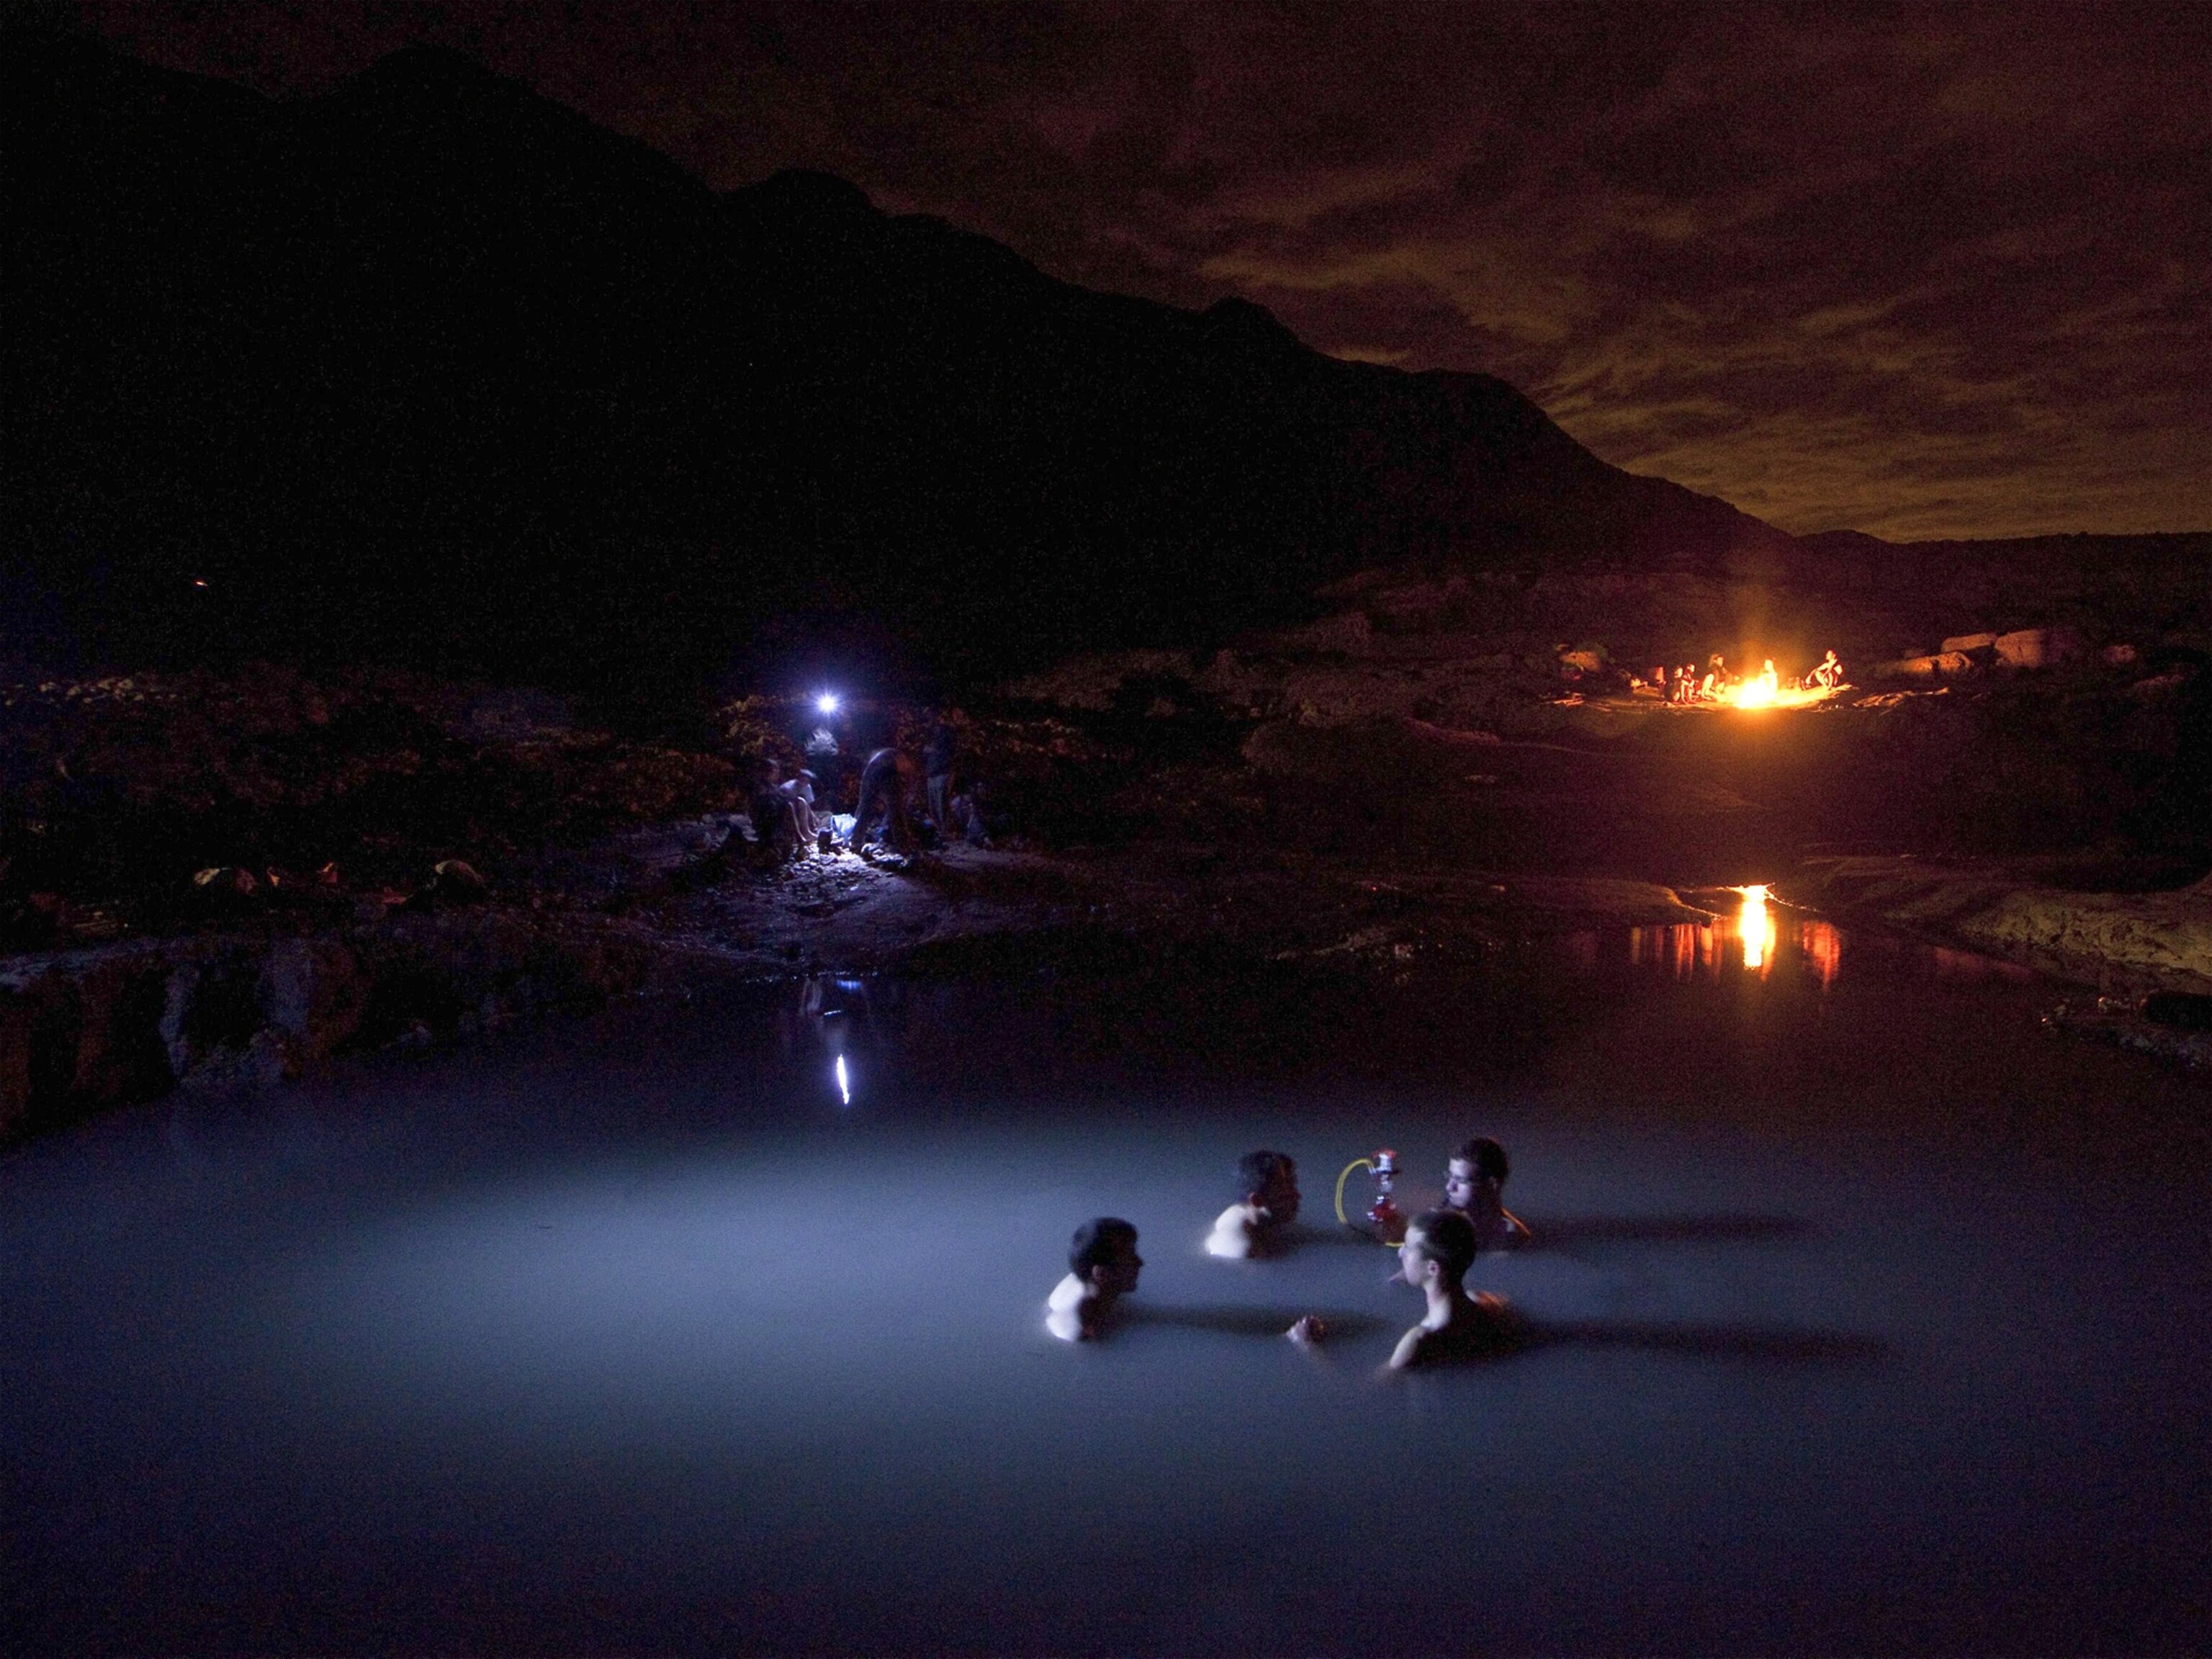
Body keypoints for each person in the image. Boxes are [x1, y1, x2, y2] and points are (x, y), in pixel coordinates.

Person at [1387, 1209, 1521, 1370]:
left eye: (1408, 1248)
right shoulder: (1486, 1304)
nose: (1400, 1252)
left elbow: (1378, 1386)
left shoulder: (1419, 1339)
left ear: (1433, 1268)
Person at [1046, 1217, 1143, 1341]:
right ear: (1102, 1274)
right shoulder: (1081, 1329)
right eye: (1129, 1258)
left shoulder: (1084, 1276)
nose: (1140, 1263)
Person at [1205, 1150, 1301, 1259]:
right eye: (1285, 1192)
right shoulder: (1243, 1249)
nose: (1298, 1196)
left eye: (1293, 1184)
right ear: (1257, 1200)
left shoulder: (1243, 1214)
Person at [1444, 1136, 1532, 1251]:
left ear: (1492, 1184)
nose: (1449, 1187)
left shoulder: (1510, 1238)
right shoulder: (1442, 1217)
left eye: (1461, 1180)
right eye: (1450, 1176)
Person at [848, 746, 921, 854]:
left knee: (867, 810)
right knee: (896, 812)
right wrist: (908, 795)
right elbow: (906, 777)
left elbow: (865, 794)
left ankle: (856, 841)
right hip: (887, 771)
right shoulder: (903, 760)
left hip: (873, 774)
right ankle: (903, 844)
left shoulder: (877, 759)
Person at [924, 719, 958, 834]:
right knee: (933, 804)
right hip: (932, 775)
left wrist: (933, 751)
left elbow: (949, 756)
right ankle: (939, 829)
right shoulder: (932, 742)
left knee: (942, 804)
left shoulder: (946, 743)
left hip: (942, 775)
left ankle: (946, 830)